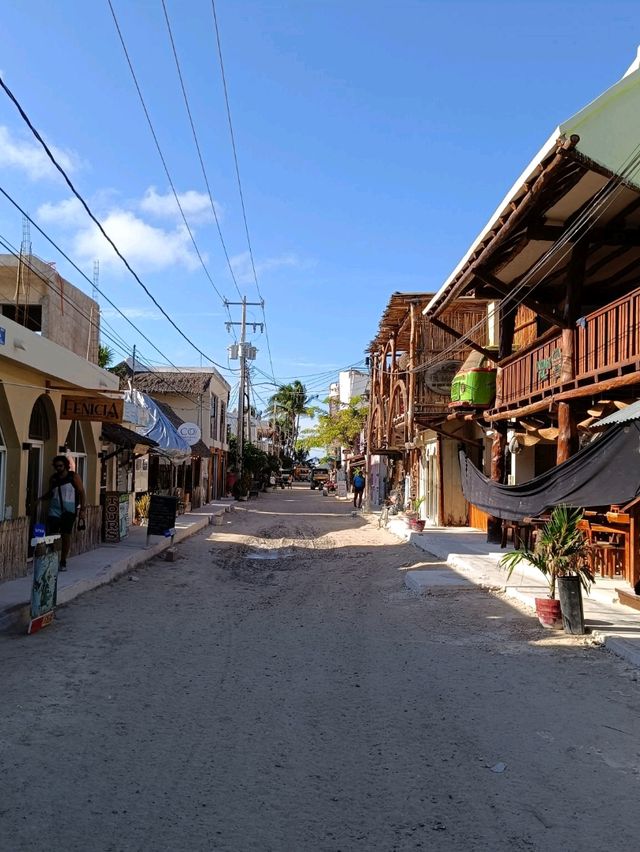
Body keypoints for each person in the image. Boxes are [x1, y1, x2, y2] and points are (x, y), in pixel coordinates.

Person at [40, 455, 86, 571]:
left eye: (60, 466)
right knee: (51, 535)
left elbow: (81, 492)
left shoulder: (73, 477)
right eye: (56, 466)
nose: (58, 468)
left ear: (65, 465)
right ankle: (51, 558)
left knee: (66, 536)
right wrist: (40, 499)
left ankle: (63, 560)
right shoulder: (54, 479)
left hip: (69, 511)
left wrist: (82, 510)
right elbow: (51, 493)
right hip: (54, 510)